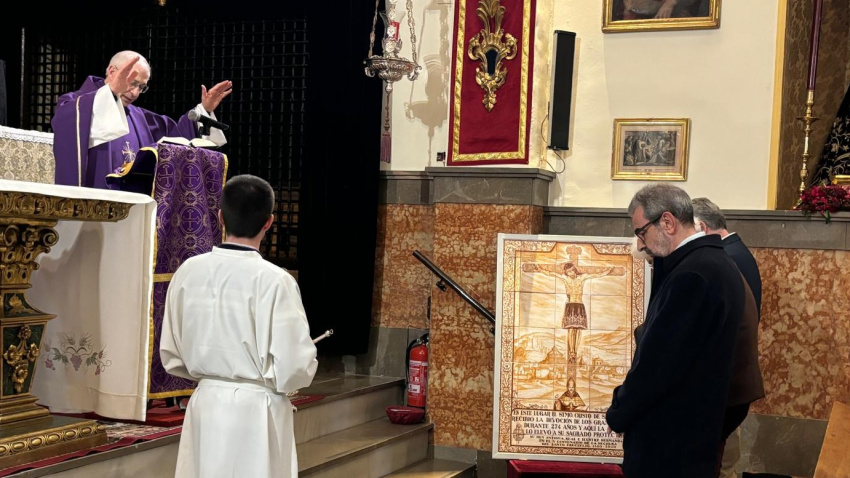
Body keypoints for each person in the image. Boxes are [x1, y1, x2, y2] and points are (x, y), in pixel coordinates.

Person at [160, 174, 318, 478]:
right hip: (256, 410)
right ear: (269, 222)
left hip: (206, 401)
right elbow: (294, 365)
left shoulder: (188, 272)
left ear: (220, 217)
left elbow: (172, 349)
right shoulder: (276, 281)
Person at [605, 183, 747, 477]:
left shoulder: (691, 275)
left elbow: (658, 366)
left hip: (668, 445)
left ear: (667, 222)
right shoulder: (717, 262)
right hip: (693, 437)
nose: (641, 244)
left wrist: (619, 411)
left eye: (641, 232)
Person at [51, 50, 233, 189]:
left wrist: (204, 110)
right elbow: (66, 124)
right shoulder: (77, 104)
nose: (135, 93)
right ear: (112, 71)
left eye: (142, 87)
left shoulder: (142, 118)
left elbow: (179, 140)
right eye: (132, 83)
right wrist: (111, 93)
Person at [692, 197, 765, 478]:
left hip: (726, 380)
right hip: (731, 378)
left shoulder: (726, 258)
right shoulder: (735, 250)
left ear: (701, 226)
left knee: (722, 464)